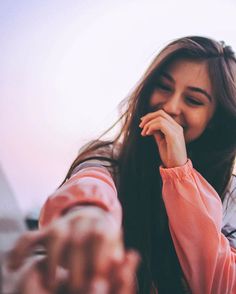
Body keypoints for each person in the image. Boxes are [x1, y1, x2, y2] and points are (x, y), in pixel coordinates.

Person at [7, 36, 236, 293]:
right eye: (163, 87)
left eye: (193, 100)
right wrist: (88, 218)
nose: (170, 107)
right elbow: (91, 185)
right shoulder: (109, 159)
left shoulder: (230, 196)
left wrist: (180, 173)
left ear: (216, 119)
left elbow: (221, 284)